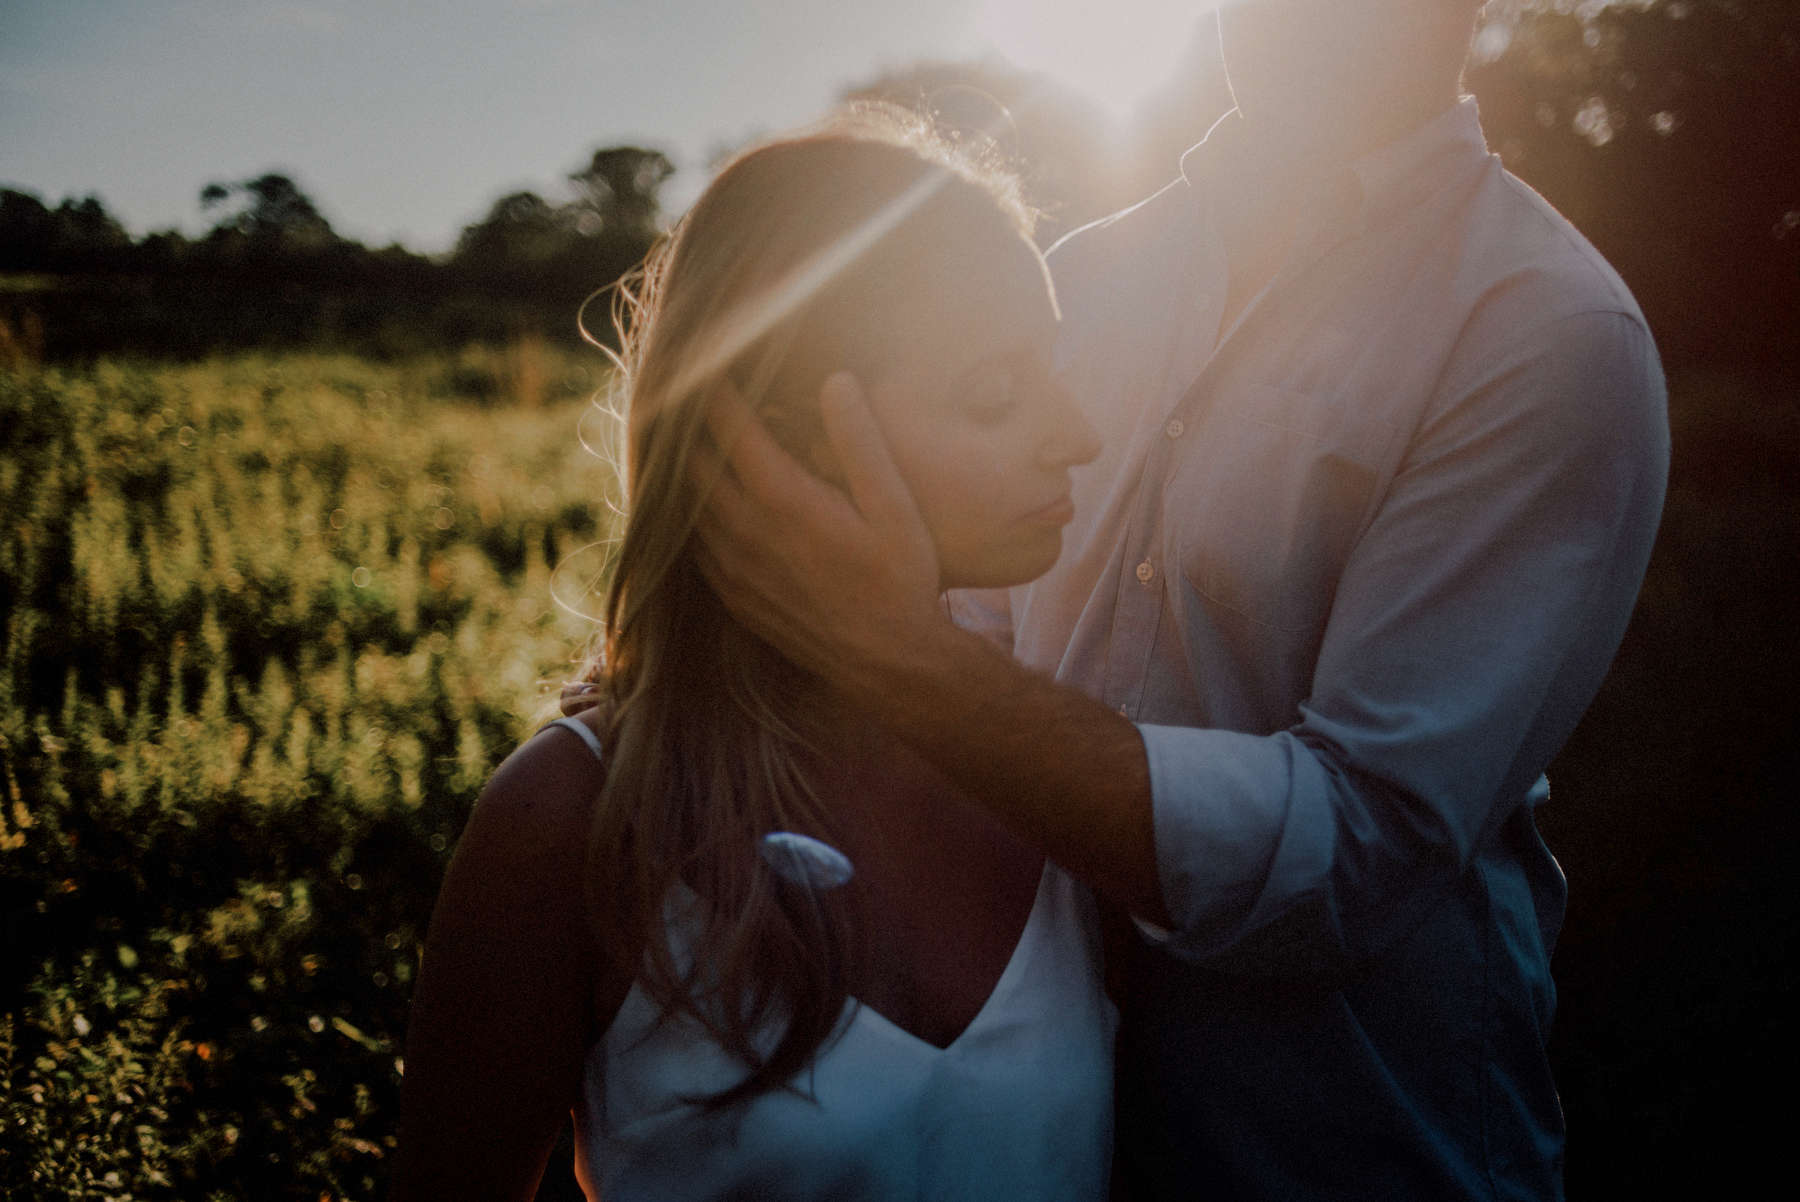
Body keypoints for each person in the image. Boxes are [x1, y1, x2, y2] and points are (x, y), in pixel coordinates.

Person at [689, 2, 1670, 1198]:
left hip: (1345, 1151)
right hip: (1037, 1126)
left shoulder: (1546, 330)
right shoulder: (1081, 272)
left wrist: (902, 661)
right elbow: (968, 613)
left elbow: (1358, 844)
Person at [392, 109, 1117, 1202]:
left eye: (1052, 370)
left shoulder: (1072, 748)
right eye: (994, 394)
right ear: (786, 439)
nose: (1078, 432)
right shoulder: (572, 817)